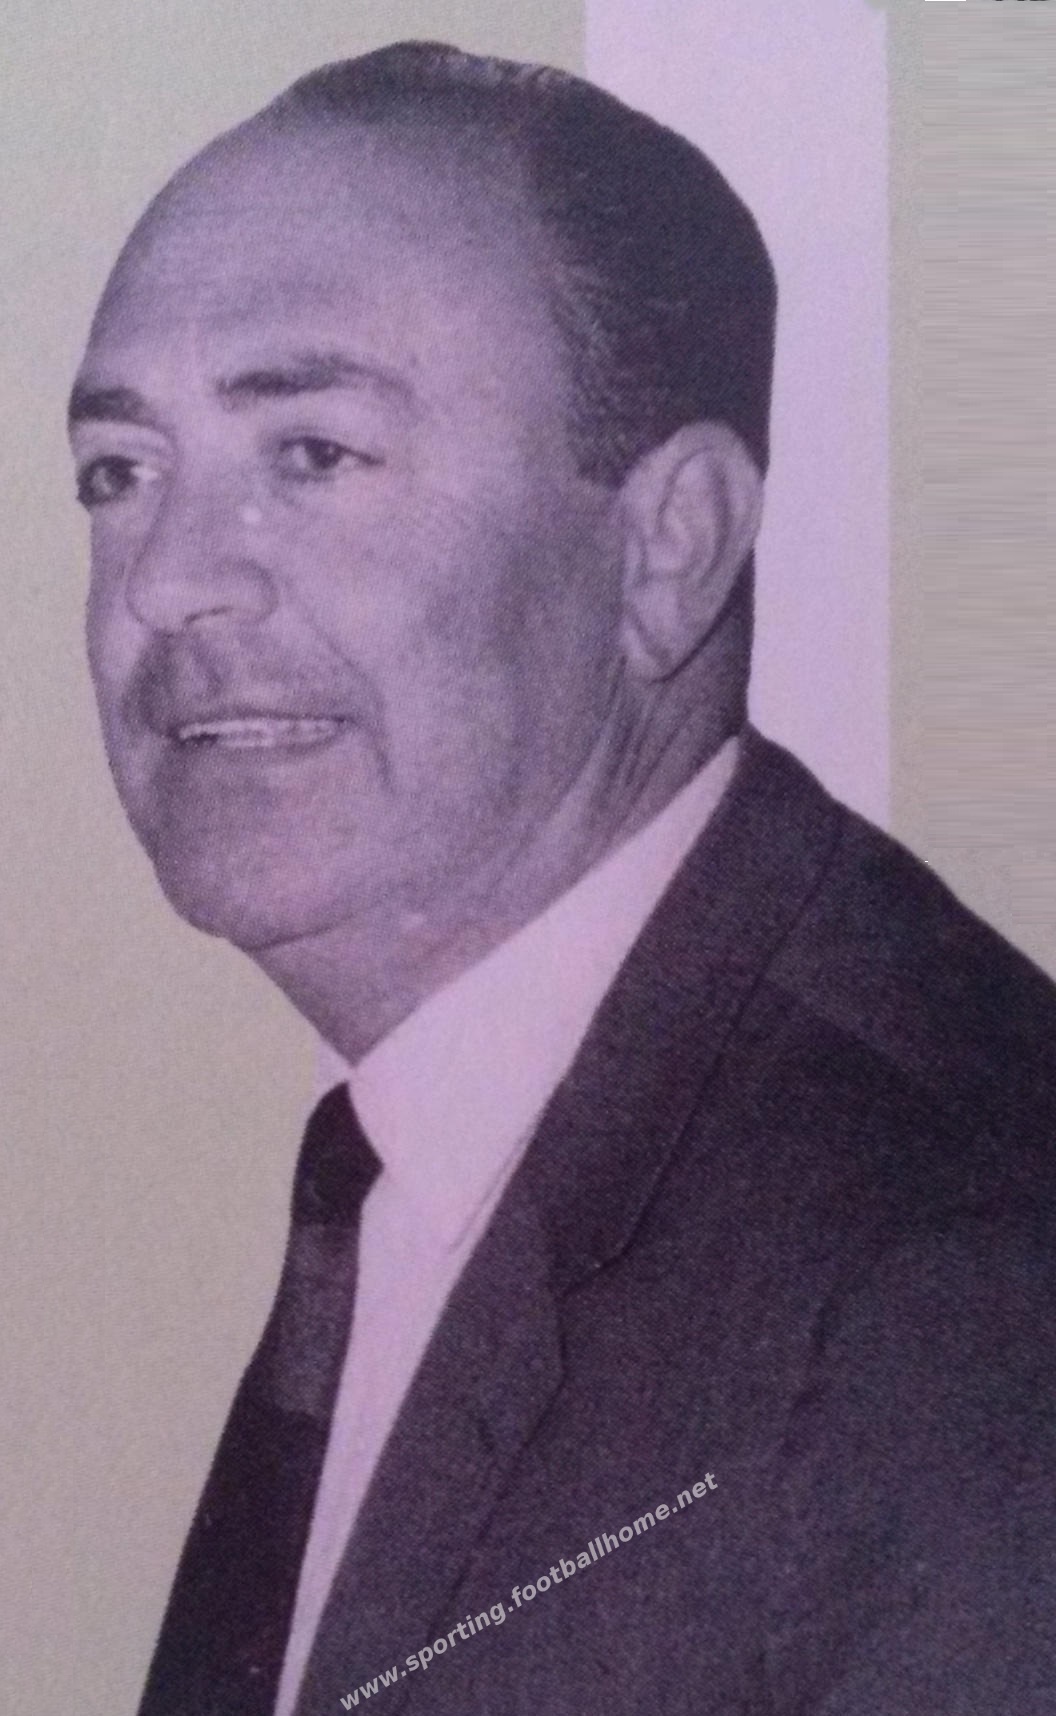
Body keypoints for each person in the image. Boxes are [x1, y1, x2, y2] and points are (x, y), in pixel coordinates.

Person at [68, 41, 1056, 1716]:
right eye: (120, 472)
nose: (164, 582)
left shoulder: (966, 1290)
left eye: (311, 453)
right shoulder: (442, 1145)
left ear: (670, 546)